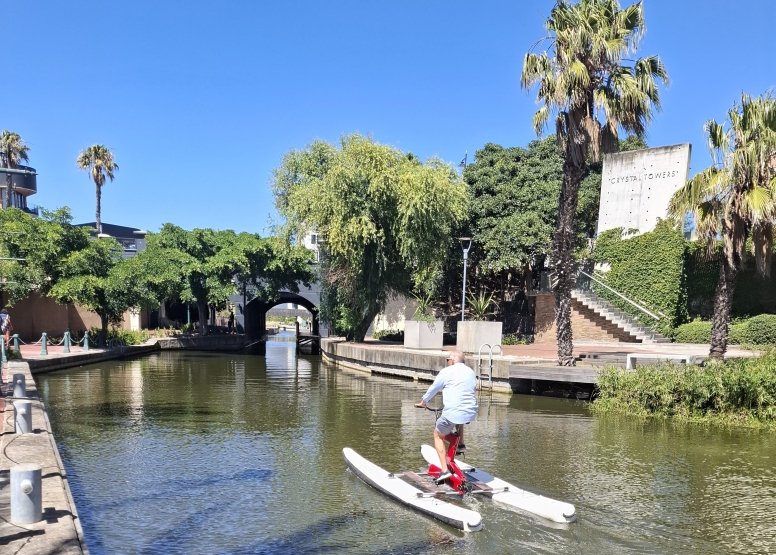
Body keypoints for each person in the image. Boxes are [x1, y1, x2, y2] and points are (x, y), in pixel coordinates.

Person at [415, 350, 478, 483]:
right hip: (471, 412)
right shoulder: (470, 372)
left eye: (448, 360)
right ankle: (461, 444)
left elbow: (434, 388)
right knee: (459, 418)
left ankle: (444, 470)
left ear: (453, 361)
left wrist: (424, 402)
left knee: (438, 435)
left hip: (453, 412)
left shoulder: (447, 372)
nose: (447, 362)